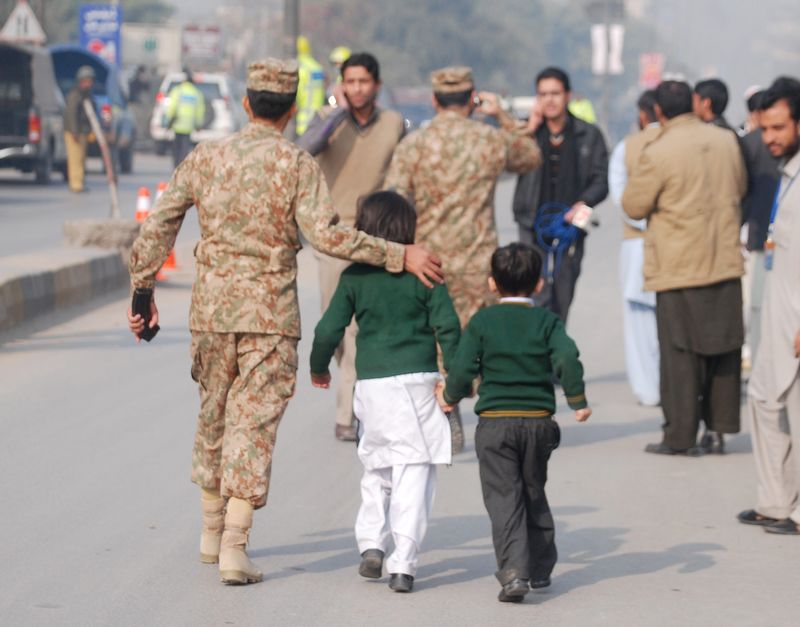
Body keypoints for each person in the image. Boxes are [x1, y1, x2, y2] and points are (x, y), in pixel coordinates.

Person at [126, 58, 443, 587]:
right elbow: (328, 237)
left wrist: (142, 292)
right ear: (291, 109)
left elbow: (160, 221)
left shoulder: (205, 157)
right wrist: (398, 255)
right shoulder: (297, 164)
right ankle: (234, 546)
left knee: (214, 413)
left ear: (247, 104)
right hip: (270, 317)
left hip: (211, 313)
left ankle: (209, 533)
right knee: (252, 424)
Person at [385, 65, 541, 453]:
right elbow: (530, 156)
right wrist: (503, 116)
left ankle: (445, 409)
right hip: (478, 262)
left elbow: (394, 200)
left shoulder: (414, 145)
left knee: (439, 341)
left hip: (429, 263)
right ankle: (493, 417)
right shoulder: (489, 139)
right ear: (473, 99)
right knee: (483, 341)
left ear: (434, 100)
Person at [310, 191, 461, 592]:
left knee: (377, 465)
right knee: (415, 469)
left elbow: (328, 329)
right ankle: (403, 564)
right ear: (408, 229)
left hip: (372, 387)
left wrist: (318, 366)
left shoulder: (354, 278)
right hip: (418, 385)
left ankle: (371, 543)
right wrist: (457, 382)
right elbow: (449, 329)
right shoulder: (425, 273)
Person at [439, 243, 590, 603]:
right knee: (533, 489)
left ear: (492, 284)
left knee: (504, 497)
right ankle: (540, 567)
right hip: (538, 423)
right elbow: (567, 355)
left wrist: (450, 396)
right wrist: (577, 400)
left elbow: (462, 367)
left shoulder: (483, 321)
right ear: (539, 285)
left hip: (495, 425)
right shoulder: (547, 321)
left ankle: (514, 573)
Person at [622, 80, 746, 456]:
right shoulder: (726, 140)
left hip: (678, 266)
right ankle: (720, 429)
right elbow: (740, 187)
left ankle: (679, 436)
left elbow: (633, 205)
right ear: (693, 103)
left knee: (680, 354)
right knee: (724, 349)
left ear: (658, 111)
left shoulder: (657, 150)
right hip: (723, 259)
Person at [298, 52, 405, 442]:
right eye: (351, 82)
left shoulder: (395, 124)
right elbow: (302, 150)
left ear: (376, 85)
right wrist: (337, 115)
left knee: (360, 327)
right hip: (331, 236)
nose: (358, 89)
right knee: (335, 324)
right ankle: (352, 383)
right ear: (342, 85)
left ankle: (347, 414)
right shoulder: (327, 122)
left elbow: (402, 175)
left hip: (375, 236)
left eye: (364, 82)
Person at [738, 77, 800, 536]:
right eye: (765, 129)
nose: (769, 137)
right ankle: (776, 501)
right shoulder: (787, 172)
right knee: (763, 396)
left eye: (778, 128)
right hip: (780, 303)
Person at [512, 67, 609, 323]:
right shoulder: (529, 133)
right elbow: (508, 159)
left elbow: (601, 179)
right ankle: (537, 353)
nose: (549, 100)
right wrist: (530, 129)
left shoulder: (589, 134)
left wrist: (583, 202)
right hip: (532, 223)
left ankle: (555, 348)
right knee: (536, 290)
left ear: (567, 95)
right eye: (543, 94)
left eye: (555, 93)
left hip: (569, 226)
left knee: (563, 292)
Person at [608, 89, 660, 406]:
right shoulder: (681, 147)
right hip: (675, 243)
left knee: (639, 322)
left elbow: (622, 199)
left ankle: (648, 388)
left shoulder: (626, 148)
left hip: (637, 244)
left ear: (643, 114)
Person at [740, 88, 780, 368]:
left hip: (757, 236)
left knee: (756, 304)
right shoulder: (753, 143)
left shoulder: (750, 142)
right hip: (760, 237)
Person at [63, 65, 95, 193]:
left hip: (83, 131)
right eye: (88, 80)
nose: (90, 83)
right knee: (75, 158)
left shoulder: (86, 95)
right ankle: (76, 184)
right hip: (74, 132)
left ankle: (80, 181)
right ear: (82, 80)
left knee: (81, 158)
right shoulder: (75, 95)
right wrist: (74, 131)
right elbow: (71, 114)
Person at [166, 68, 205, 167]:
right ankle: (182, 167)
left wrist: (169, 120)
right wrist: (198, 124)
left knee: (176, 149)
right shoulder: (196, 93)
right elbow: (199, 111)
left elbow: (172, 107)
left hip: (177, 124)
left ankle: (176, 166)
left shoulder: (178, 90)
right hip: (189, 126)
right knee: (185, 149)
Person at [295, 35, 326, 136]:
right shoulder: (316, 67)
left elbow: (295, 94)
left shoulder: (299, 68)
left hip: (303, 121)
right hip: (320, 118)